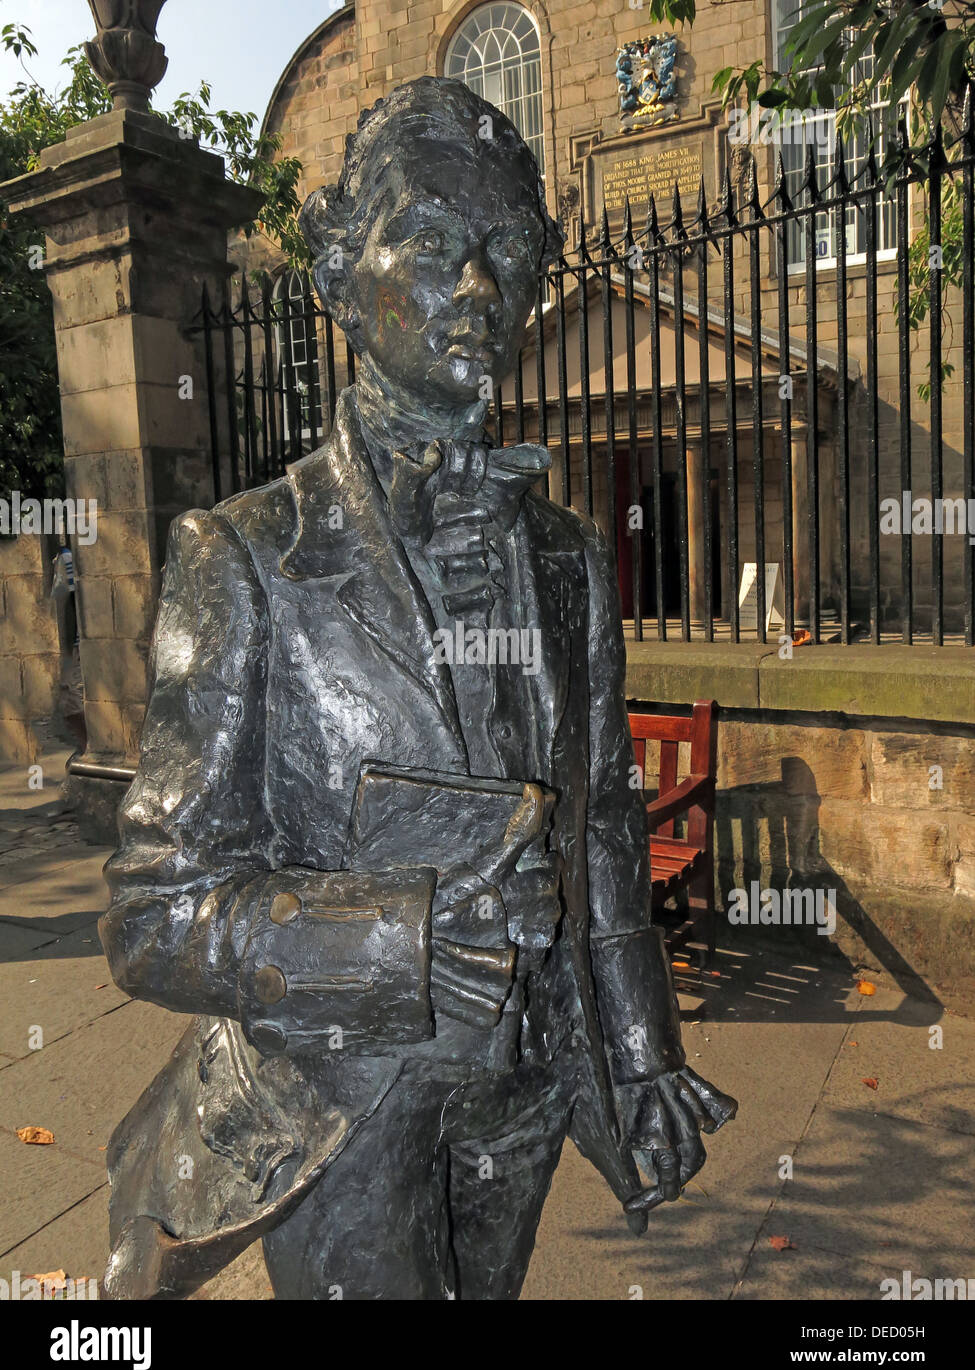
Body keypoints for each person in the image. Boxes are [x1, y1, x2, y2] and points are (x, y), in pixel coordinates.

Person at [99, 76, 735, 1302]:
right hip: (341, 1096)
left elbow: (600, 813)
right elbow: (152, 911)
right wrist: (399, 936)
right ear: (341, 278)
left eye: (506, 251)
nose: (482, 289)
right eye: (435, 244)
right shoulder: (244, 557)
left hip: (529, 1080)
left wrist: (643, 1048)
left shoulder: (563, 557)